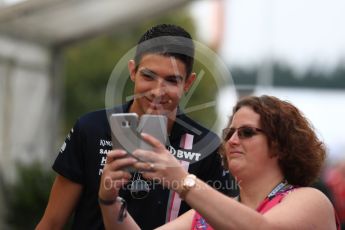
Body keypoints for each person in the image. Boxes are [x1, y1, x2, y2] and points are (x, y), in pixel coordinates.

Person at [36, 24, 235, 230]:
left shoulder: (207, 145)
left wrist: (181, 180)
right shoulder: (91, 129)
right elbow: (51, 223)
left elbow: (223, 219)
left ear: (188, 84)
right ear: (133, 71)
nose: (158, 91)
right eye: (148, 76)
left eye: (171, 80)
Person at [99, 95, 340, 229]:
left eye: (246, 132)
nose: (232, 140)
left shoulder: (310, 200)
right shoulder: (204, 214)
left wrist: (181, 180)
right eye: (229, 133)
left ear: (280, 144)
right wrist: (108, 200)